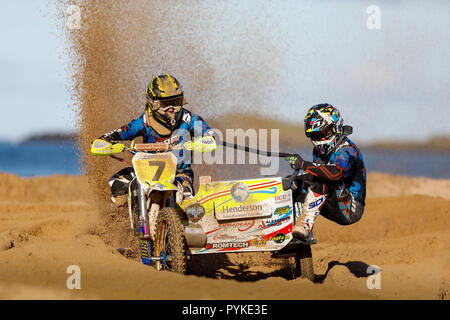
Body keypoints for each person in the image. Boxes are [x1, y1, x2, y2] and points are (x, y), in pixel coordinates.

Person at [97, 74, 215, 206]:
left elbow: (208, 131)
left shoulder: (188, 118)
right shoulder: (144, 121)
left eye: (176, 103)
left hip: (179, 174)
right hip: (145, 173)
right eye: (166, 104)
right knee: (117, 184)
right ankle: (120, 221)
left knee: (187, 197)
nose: (172, 109)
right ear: (154, 104)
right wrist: (105, 140)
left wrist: (207, 139)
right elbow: (120, 132)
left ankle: (186, 225)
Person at [285, 103, 366, 241]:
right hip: (332, 203)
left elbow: (334, 174)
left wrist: (303, 164)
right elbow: (314, 174)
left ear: (337, 127)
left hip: (351, 209)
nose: (321, 139)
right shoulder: (318, 152)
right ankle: (291, 231)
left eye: (325, 132)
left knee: (323, 179)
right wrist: (296, 178)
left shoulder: (346, 150)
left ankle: (305, 225)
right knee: (293, 183)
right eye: (316, 135)